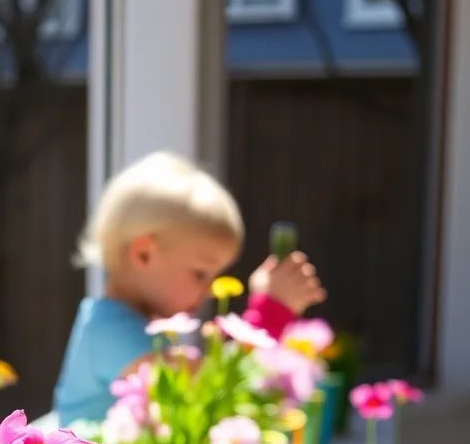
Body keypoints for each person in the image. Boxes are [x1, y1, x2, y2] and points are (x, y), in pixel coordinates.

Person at [53, 151, 326, 427]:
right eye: (201, 274)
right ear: (144, 254)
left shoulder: (125, 323)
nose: (209, 290)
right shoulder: (111, 331)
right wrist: (271, 311)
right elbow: (211, 400)